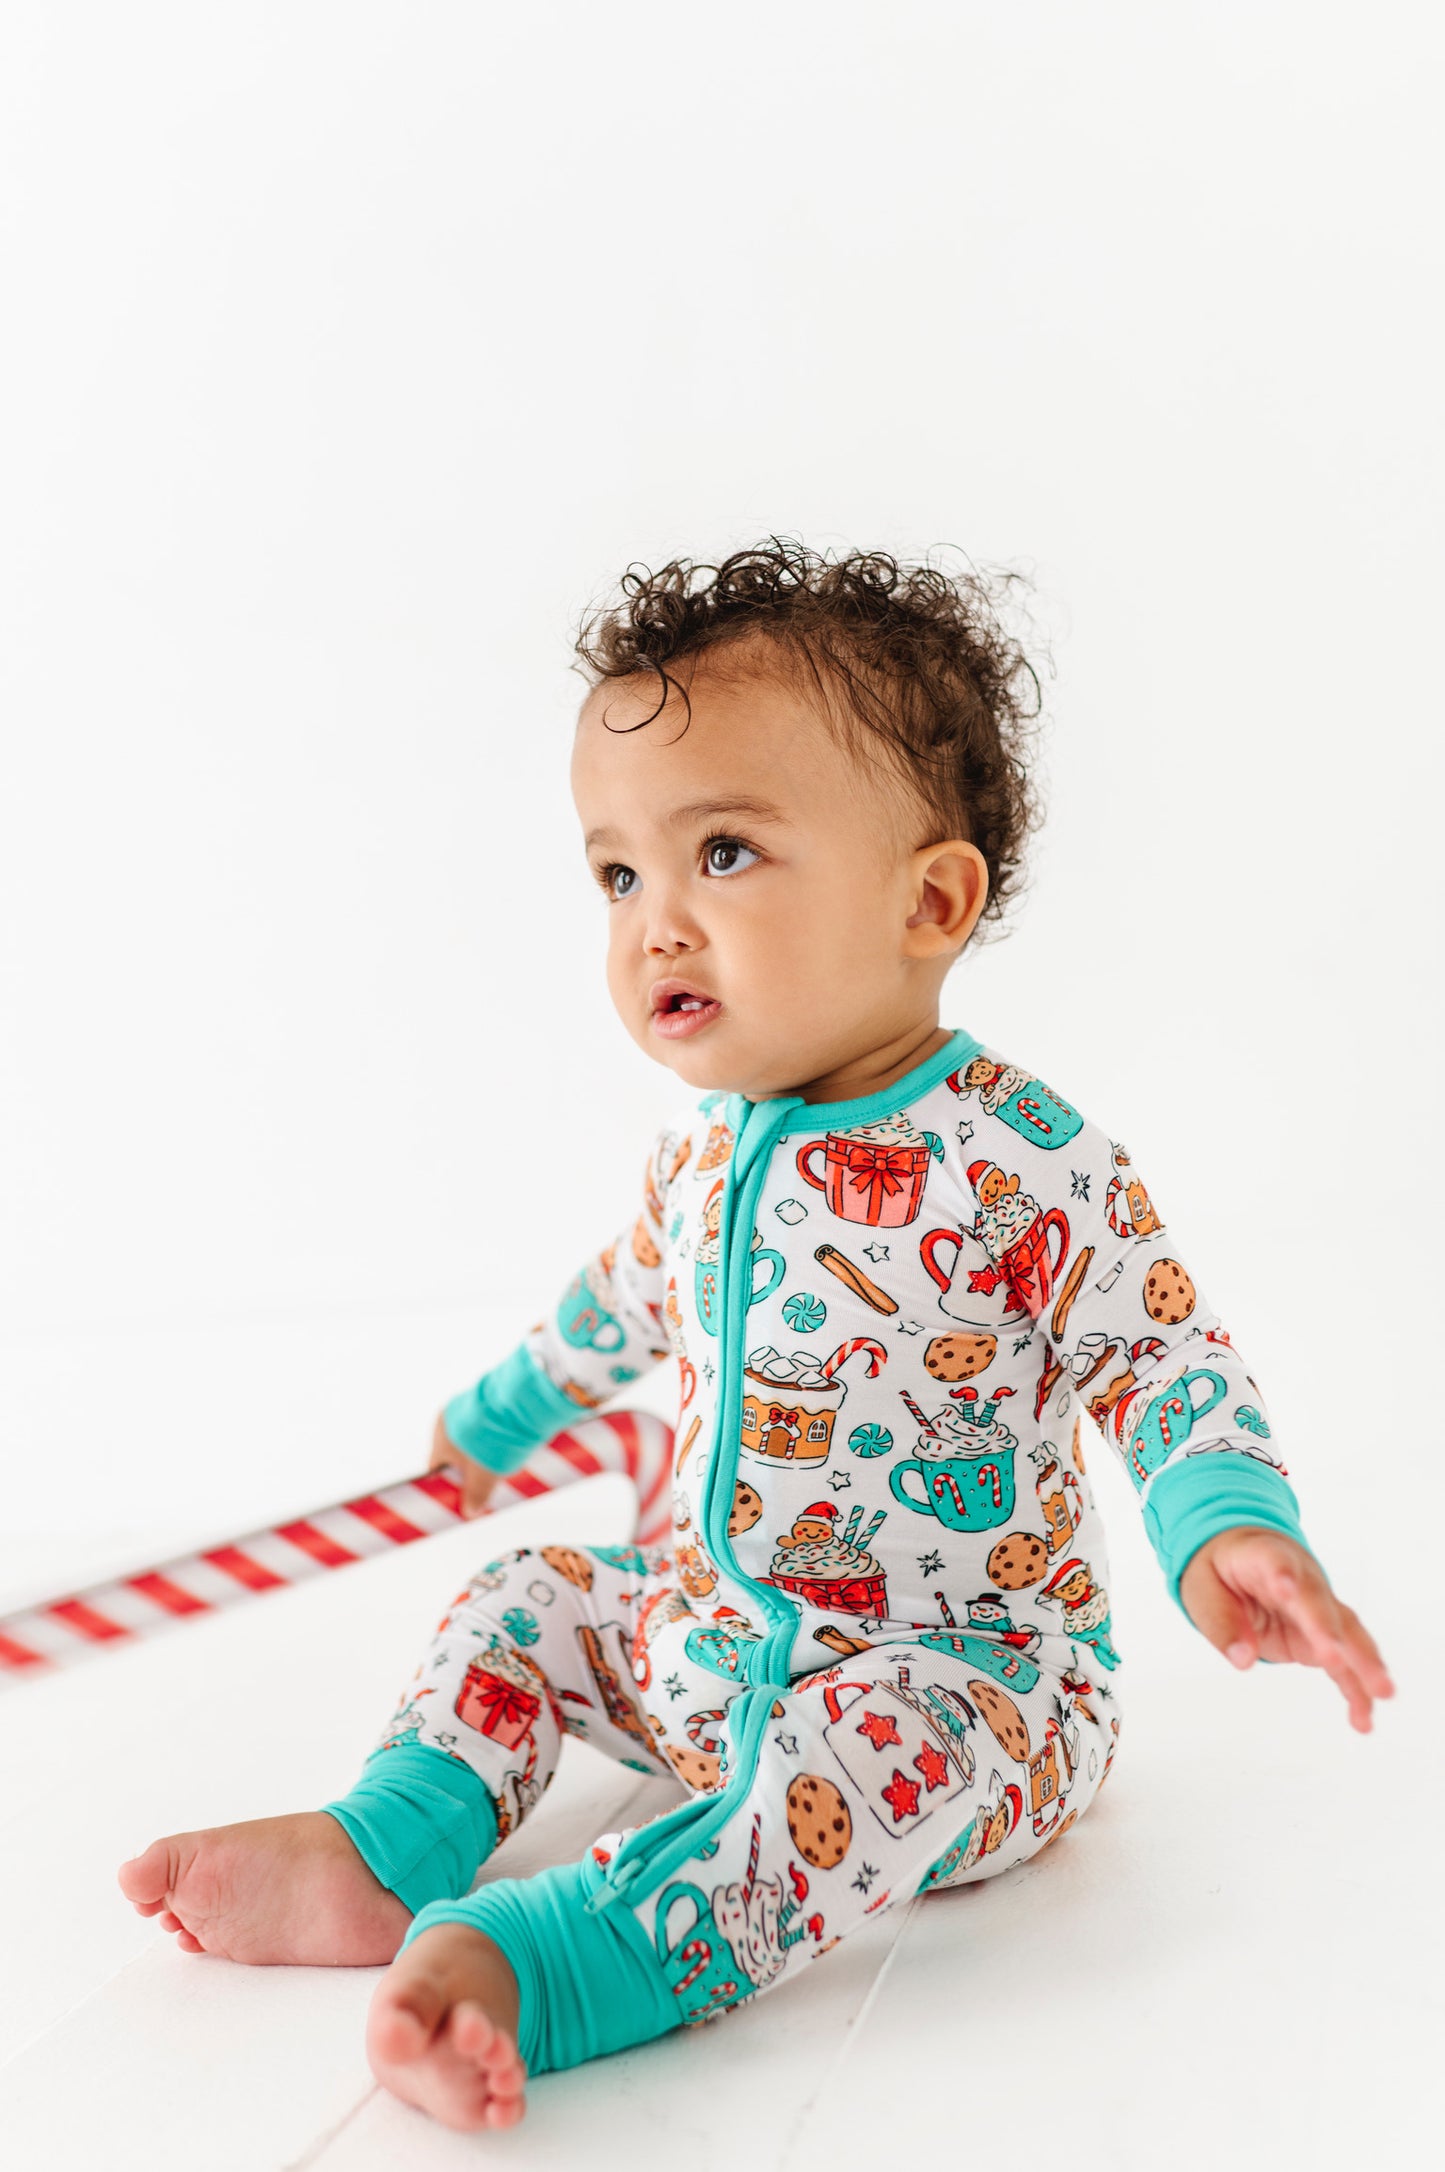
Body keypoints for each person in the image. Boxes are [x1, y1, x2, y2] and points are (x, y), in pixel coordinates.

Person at [117, 540, 1394, 2135]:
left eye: (720, 853)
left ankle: (569, 1960)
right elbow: (621, 1302)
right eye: (616, 875)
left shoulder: (1021, 1160)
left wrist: (1225, 1524)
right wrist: (503, 1416)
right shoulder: (703, 1155)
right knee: (528, 1599)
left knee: (857, 1762)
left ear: (927, 899)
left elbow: (1159, 1357)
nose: (654, 925)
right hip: (708, 1651)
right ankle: (387, 1843)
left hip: (960, 1693)